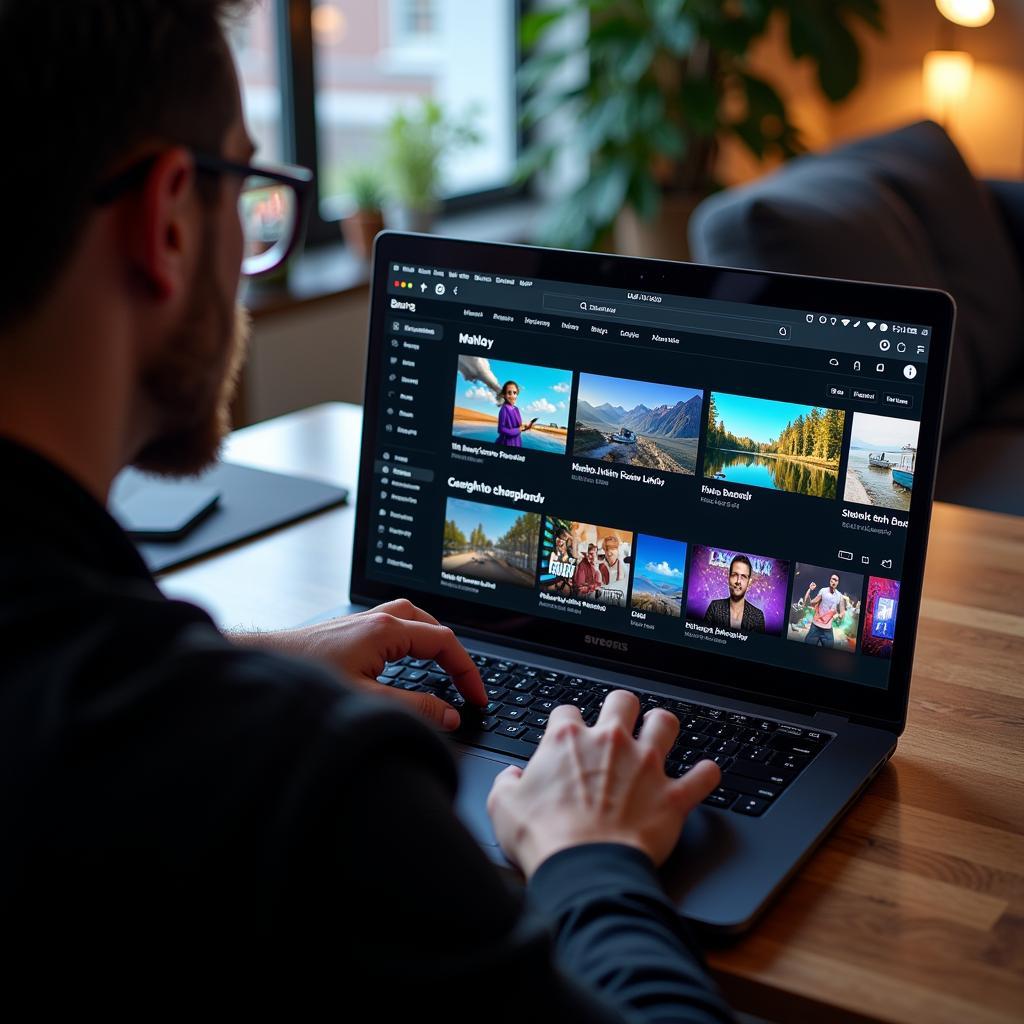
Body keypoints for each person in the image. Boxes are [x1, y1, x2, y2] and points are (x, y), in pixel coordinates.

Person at [0, 2, 734, 1017]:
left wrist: (240, 657)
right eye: (247, 190)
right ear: (168, 219)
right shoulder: (300, 782)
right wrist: (590, 855)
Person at [703, 554, 767, 634]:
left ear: (749, 583)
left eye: (743, 576)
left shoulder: (758, 616)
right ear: (728, 578)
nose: (738, 581)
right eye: (734, 575)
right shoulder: (714, 607)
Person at [801, 574, 847, 648]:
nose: (834, 581)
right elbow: (810, 603)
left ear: (838, 582)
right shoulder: (823, 591)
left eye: (836, 580)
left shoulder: (839, 596)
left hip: (827, 631)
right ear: (830, 580)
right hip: (815, 627)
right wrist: (809, 589)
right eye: (833, 579)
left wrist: (839, 615)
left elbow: (842, 612)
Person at [495, 380, 537, 447]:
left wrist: (526, 427)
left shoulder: (516, 409)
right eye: (509, 393)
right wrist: (518, 429)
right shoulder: (504, 409)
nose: (512, 396)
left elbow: (518, 428)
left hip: (517, 443)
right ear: (504, 395)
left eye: (514, 393)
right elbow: (501, 429)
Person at [597, 534, 629, 606]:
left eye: (613, 549)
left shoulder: (624, 567)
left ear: (618, 550)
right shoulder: (601, 566)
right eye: (606, 550)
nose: (609, 553)